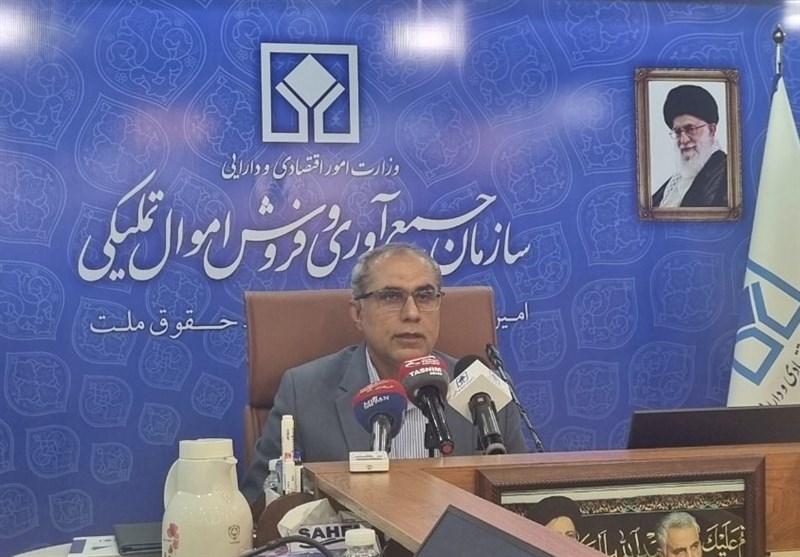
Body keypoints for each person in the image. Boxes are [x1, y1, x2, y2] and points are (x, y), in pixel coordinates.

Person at [240, 242, 527, 503]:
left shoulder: (484, 394)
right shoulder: (304, 393)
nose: (412, 313)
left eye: (425, 296)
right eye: (391, 297)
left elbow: (522, 501)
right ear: (357, 313)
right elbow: (259, 508)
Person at [651, 84, 728, 208]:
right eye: (677, 132)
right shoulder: (674, 181)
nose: (683, 140)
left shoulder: (729, 176)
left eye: (690, 129)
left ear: (711, 130)